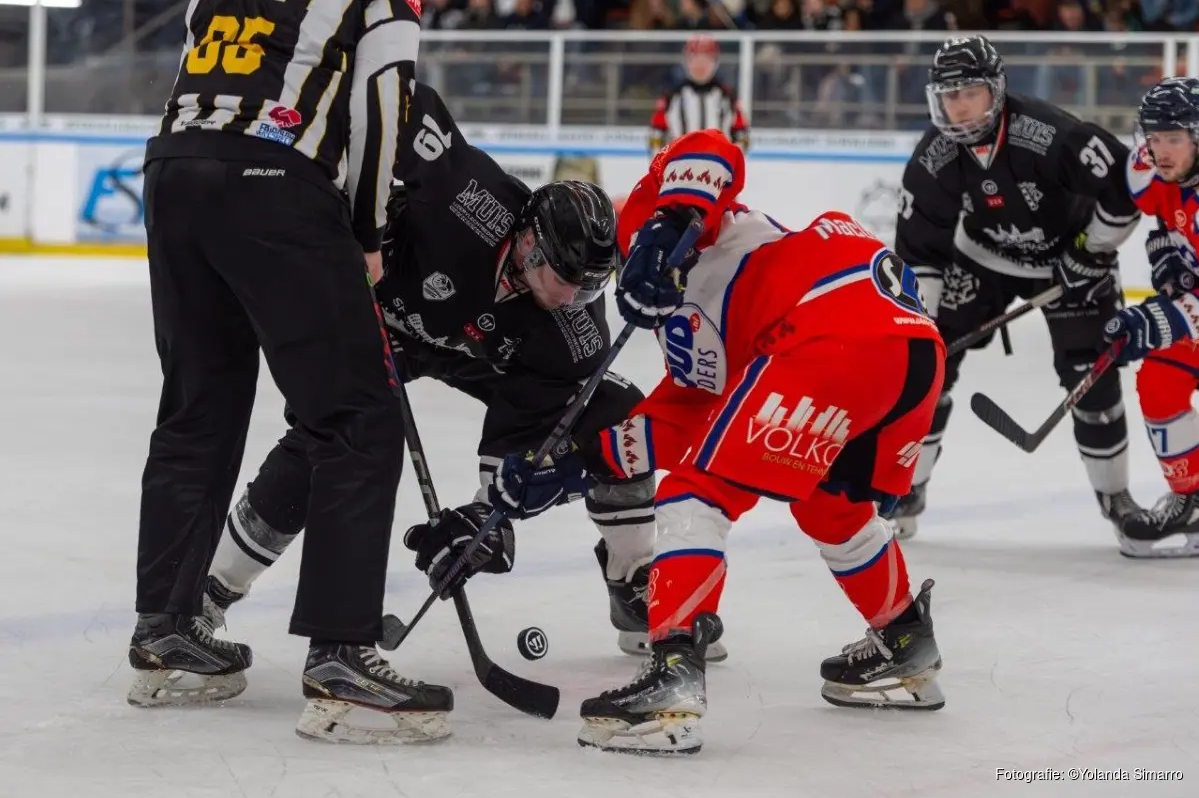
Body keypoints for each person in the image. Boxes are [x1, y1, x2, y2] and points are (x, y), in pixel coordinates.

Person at [199, 80, 730, 734]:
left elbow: (523, 443)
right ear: (529, 239)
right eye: (566, 279)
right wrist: (346, 180)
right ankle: (209, 593)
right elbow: (402, 97)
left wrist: (482, 523)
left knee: (615, 412)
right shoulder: (467, 195)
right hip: (382, 319)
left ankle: (631, 584)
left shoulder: (567, 332)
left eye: (590, 287)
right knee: (331, 440)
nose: (573, 298)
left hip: (486, 356)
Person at [490, 128, 948, 756]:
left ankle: (672, 677)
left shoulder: (660, 218)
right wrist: (572, 469)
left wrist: (660, 230)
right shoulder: (692, 322)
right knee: (829, 503)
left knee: (695, 493)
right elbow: (685, 419)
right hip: (908, 349)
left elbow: (710, 148)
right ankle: (904, 639)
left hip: (831, 327)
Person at [127, 0, 443, 743]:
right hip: (274, 178)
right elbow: (378, 107)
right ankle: (341, 654)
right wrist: (365, 233)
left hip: (172, 171)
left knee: (195, 410)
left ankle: (165, 633)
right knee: (358, 416)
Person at [889, 34, 1143, 540]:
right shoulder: (935, 156)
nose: (957, 107)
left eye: (969, 92)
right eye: (948, 94)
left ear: (997, 90)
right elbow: (920, 253)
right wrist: (923, 335)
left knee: (1089, 377)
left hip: (1069, 262)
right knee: (929, 367)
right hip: (981, 258)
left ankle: (1116, 498)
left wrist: (1090, 251)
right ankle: (907, 487)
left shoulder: (1050, 134)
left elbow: (1124, 187)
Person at [1099, 76, 1199, 559]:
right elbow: (1165, 219)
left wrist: (1156, 321)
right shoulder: (1151, 167)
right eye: (1154, 136)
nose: (1159, 150)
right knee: (1160, 380)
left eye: (1174, 139)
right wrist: (1168, 255)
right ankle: (1193, 500)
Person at [648, 34, 749, 157]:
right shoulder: (671, 96)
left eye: (707, 59)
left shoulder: (728, 97)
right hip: (678, 171)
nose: (700, 65)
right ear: (686, 61)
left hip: (720, 170)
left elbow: (742, 135)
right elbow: (656, 136)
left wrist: (732, 167)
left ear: (715, 62)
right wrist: (660, 170)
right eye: (694, 58)